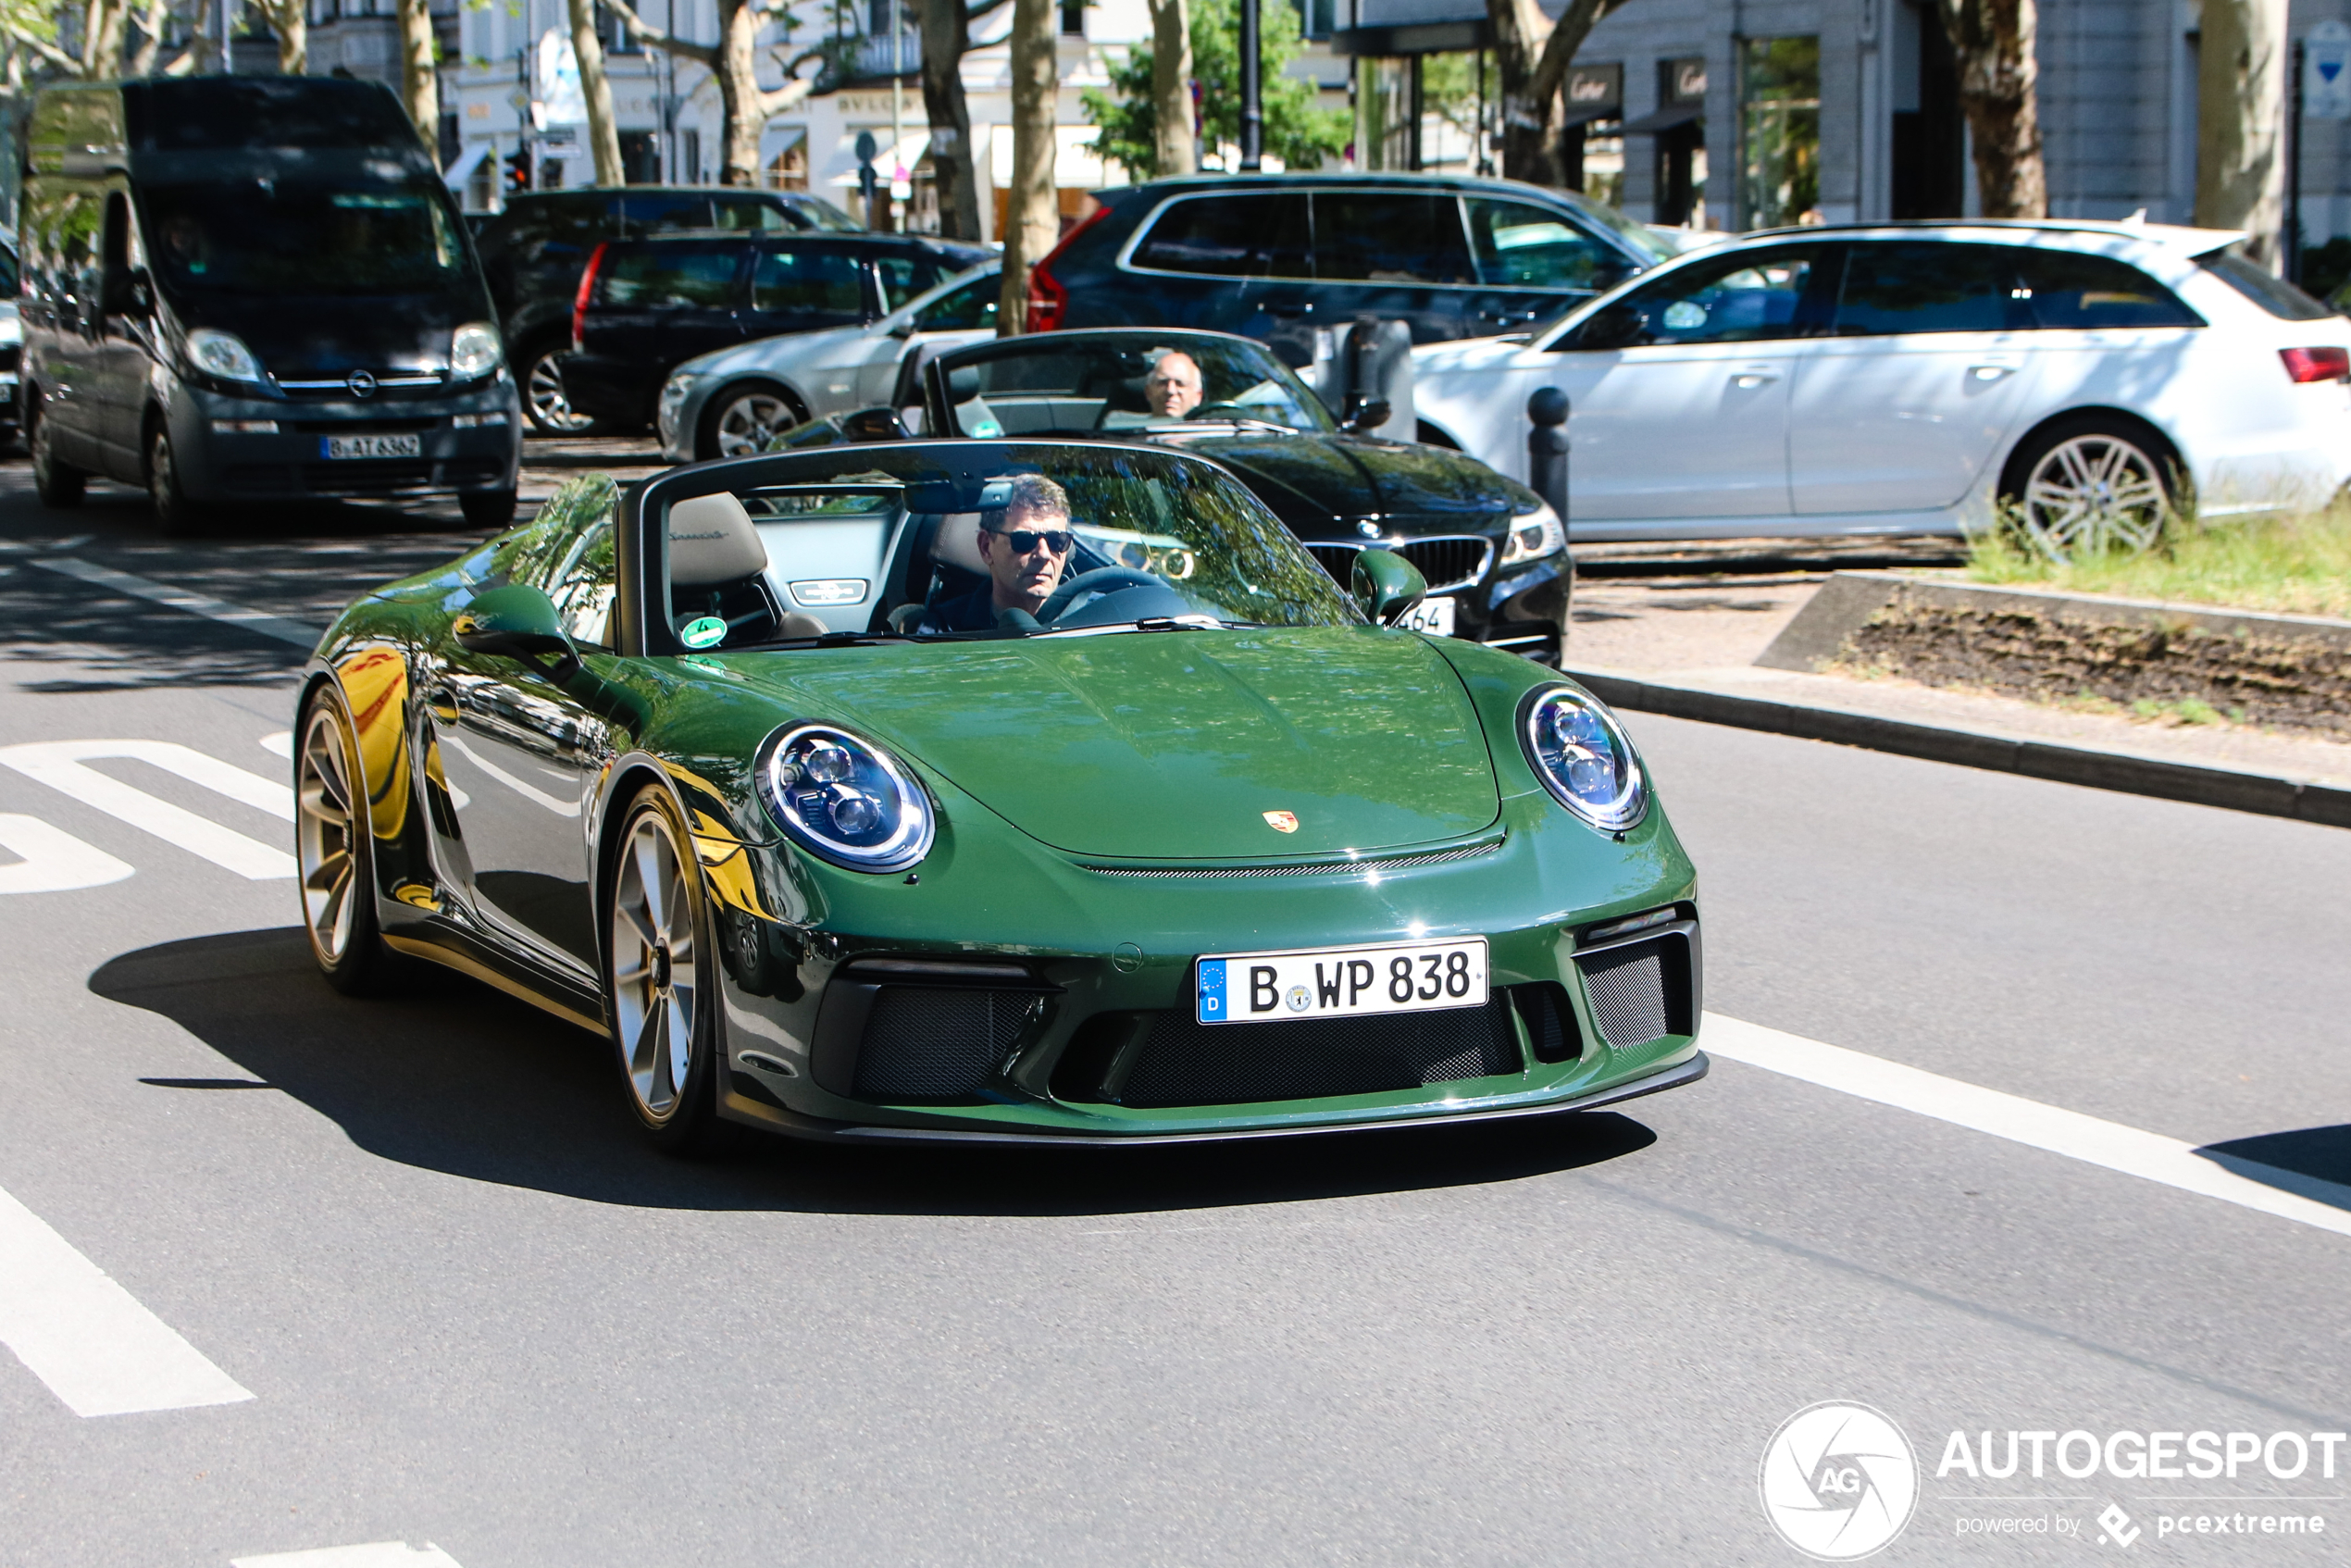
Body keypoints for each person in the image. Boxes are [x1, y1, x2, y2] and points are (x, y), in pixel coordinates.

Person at [921, 474, 1076, 631]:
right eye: (1024, 540)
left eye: (1057, 540)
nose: (1044, 554)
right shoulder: (942, 630)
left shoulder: (1095, 615)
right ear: (986, 547)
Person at [1144, 350, 1204, 417]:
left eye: (1180, 384)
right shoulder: (1134, 426)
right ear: (1148, 392)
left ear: (1198, 396)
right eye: (1163, 383)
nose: (1171, 391)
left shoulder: (1213, 426)